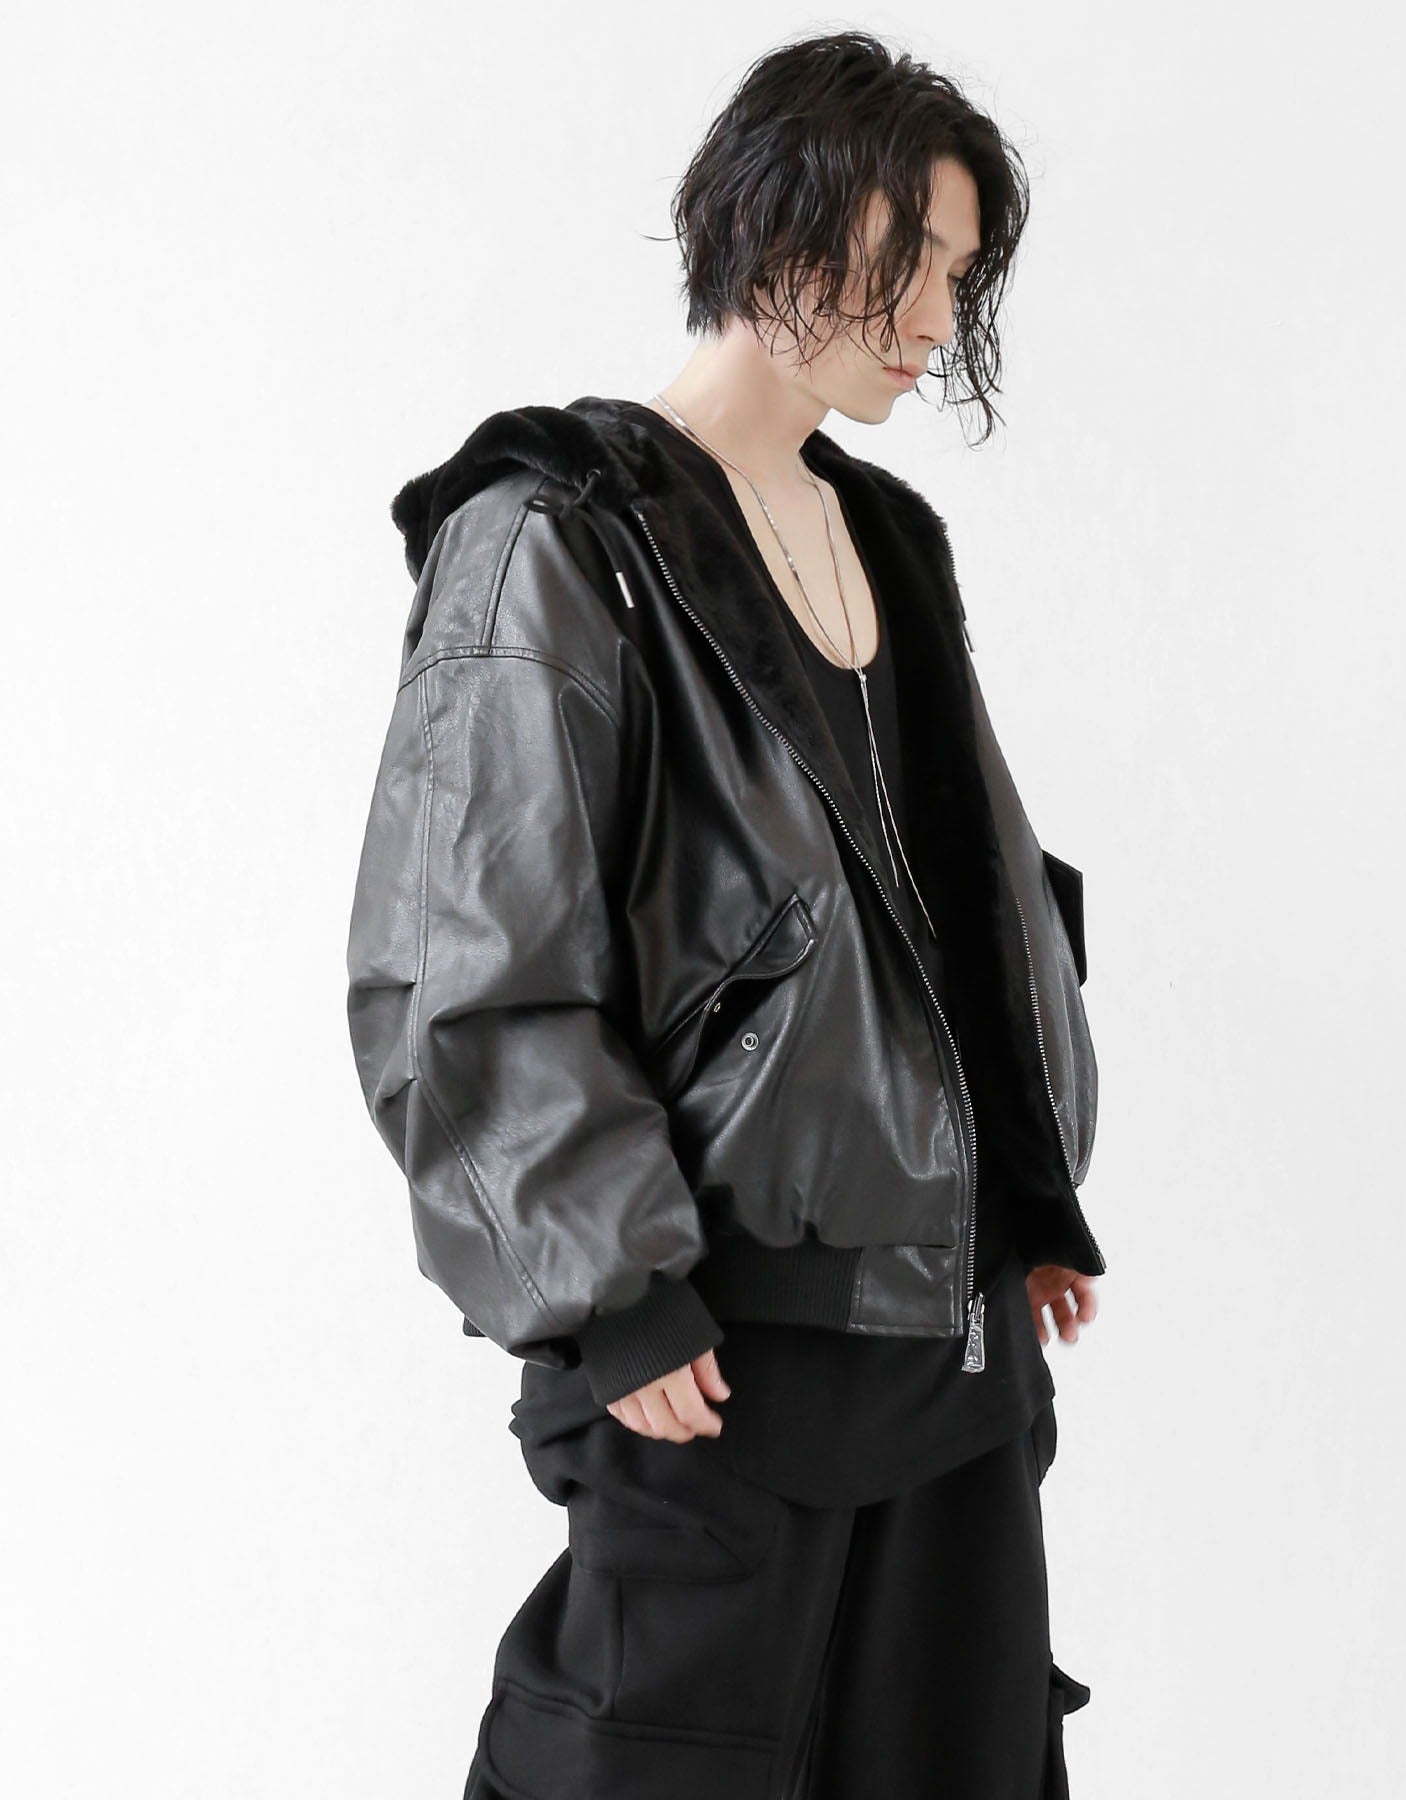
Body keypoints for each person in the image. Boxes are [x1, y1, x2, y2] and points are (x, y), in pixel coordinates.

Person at [345, 28, 1105, 1798]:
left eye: (963, 274)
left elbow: (957, 892)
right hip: (719, 1346)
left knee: (956, 1762)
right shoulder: (554, 535)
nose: (941, 318)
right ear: (788, 222)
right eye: (920, 260)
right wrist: (612, 1292)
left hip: (954, 1348)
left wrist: (1022, 1191)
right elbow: (468, 955)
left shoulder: (889, 537)